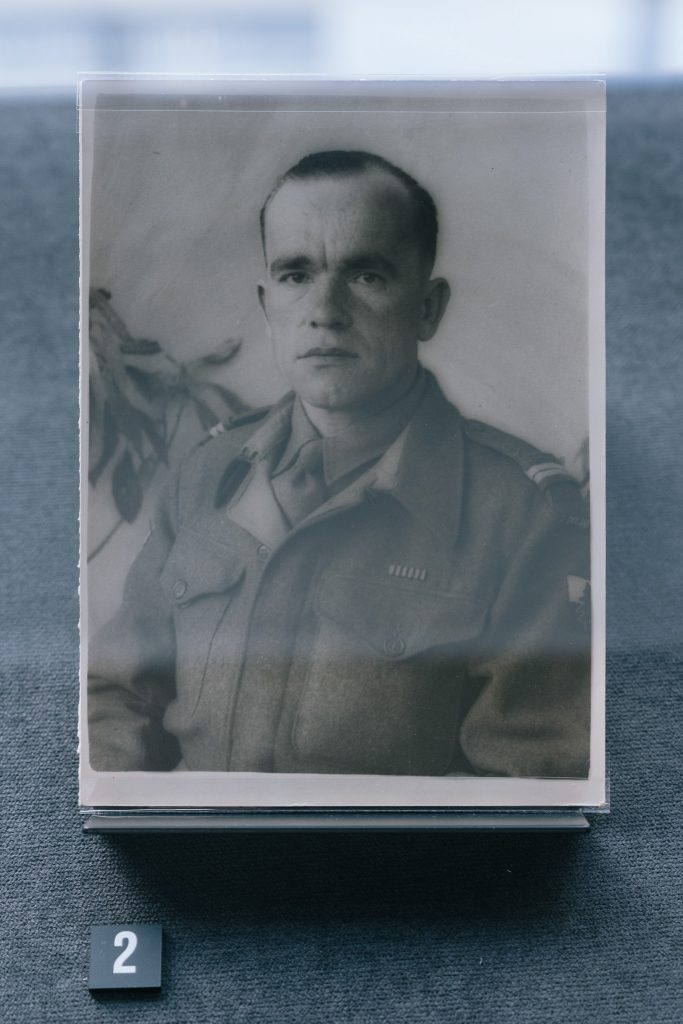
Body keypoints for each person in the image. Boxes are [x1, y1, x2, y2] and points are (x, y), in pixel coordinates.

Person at [88, 150, 591, 778]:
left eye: (367, 276)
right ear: (267, 305)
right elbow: (116, 699)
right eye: (296, 275)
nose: (324, 310)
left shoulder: (520, 516)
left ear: (428, 307)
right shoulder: (207, 474)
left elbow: (522, 789)